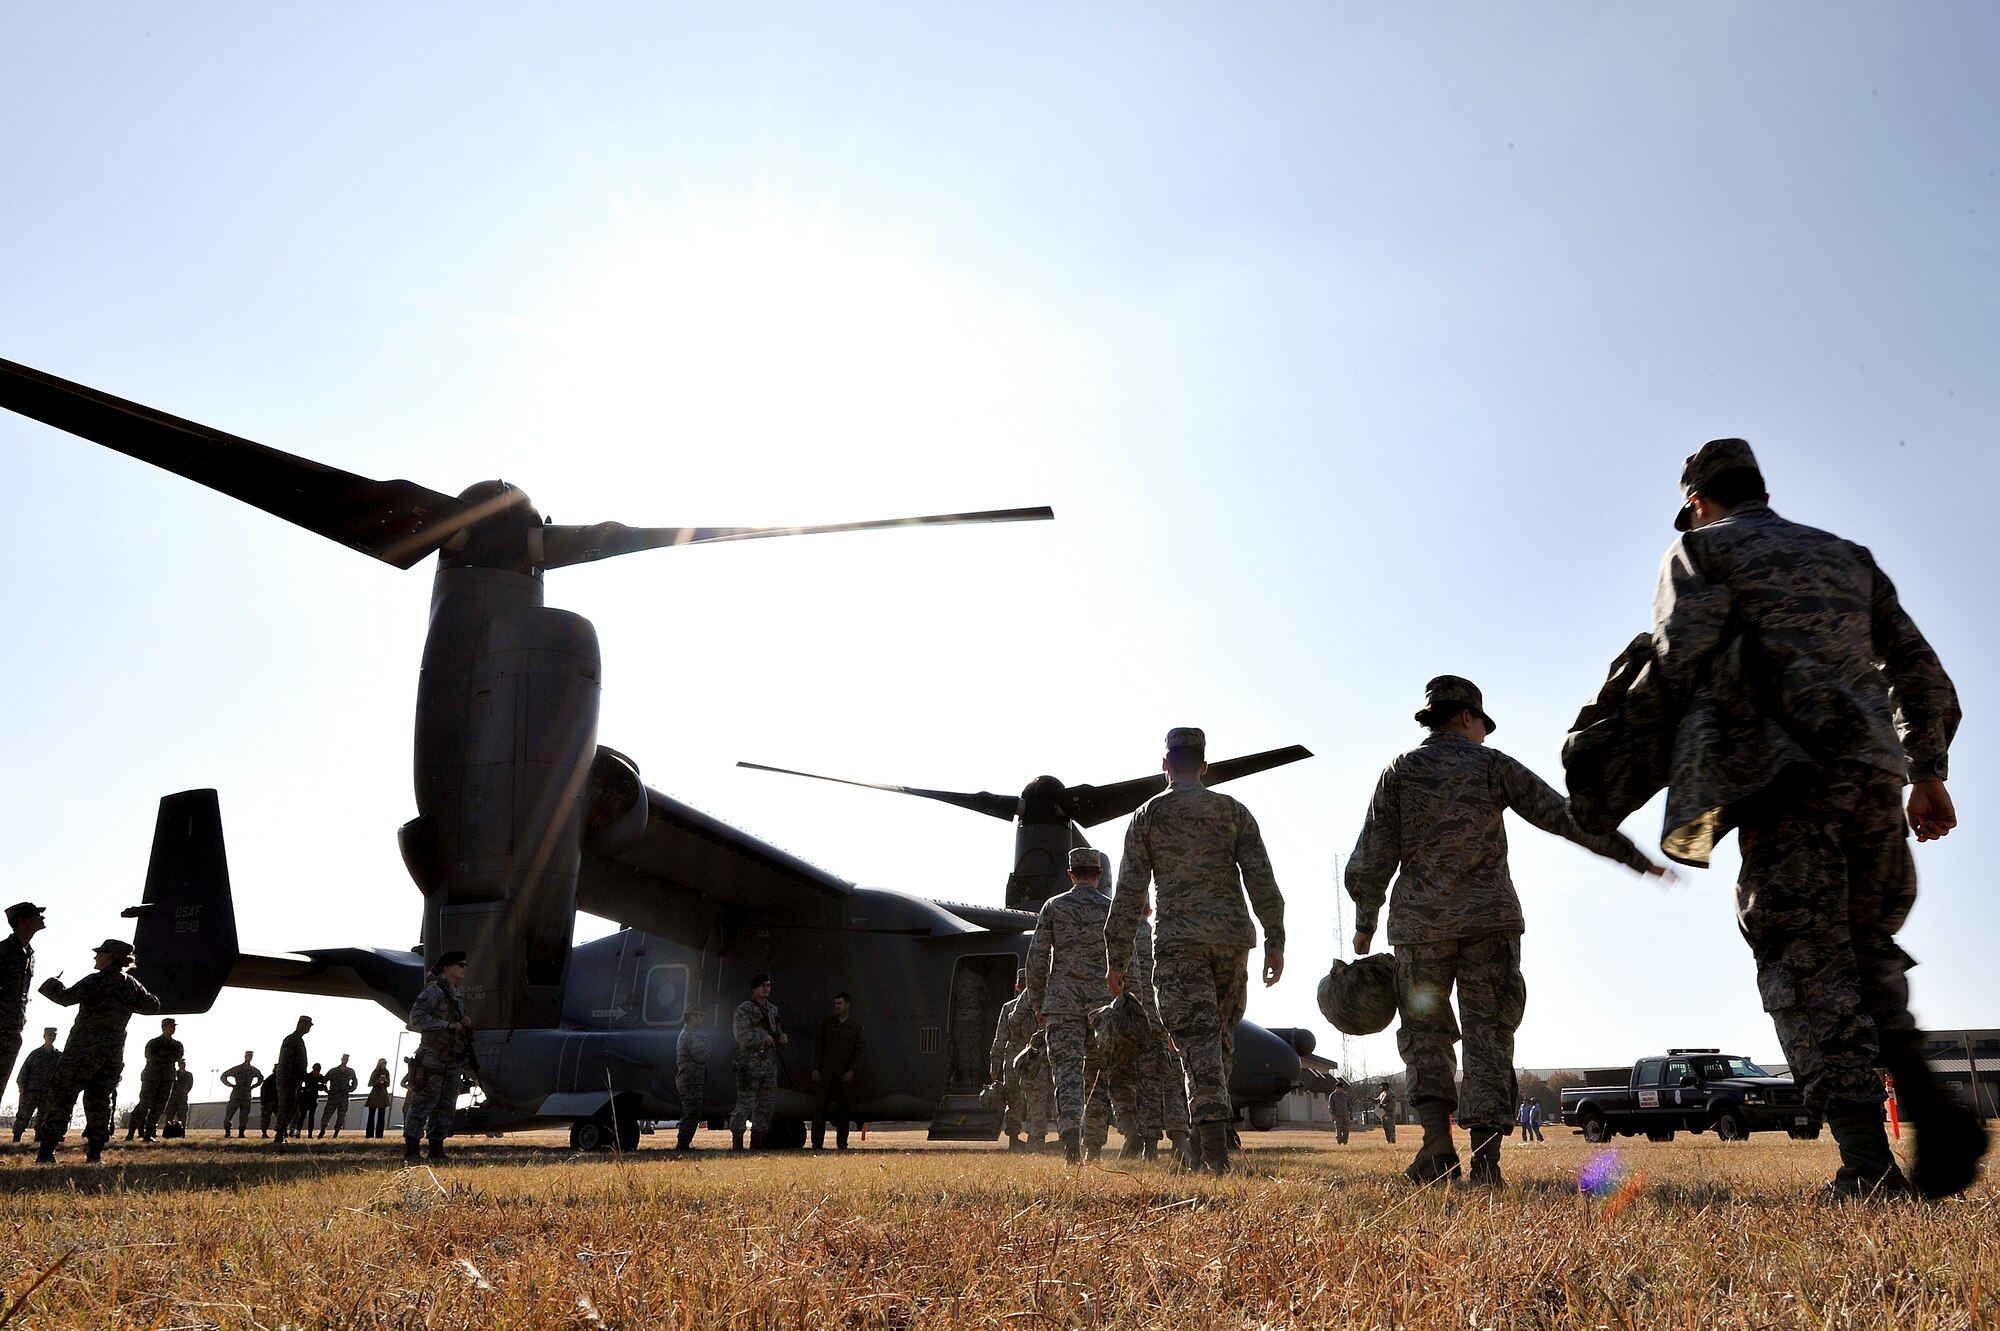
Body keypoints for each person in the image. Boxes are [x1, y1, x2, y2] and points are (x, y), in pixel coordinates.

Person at [1641, 438, 1979, 1201]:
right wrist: (1926, 771)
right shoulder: (1847, 555)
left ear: (1699, 499)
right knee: (1864, 952)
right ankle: (1925, 1093)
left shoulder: (1697, 551)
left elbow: (1679, 661)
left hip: (1782, 781)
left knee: (1803, 961)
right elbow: (1921, 673)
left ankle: (1866, 1165)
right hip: (1871, 780)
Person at [1347, 676, 1664, 1187]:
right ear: (1469, 718)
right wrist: (1629, 854)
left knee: (1425, 1034)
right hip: (1488, 926)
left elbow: (1372, 855)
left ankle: (1434, 1147)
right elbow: (1561, 816)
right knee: (1489, 1036)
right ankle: (1487, 1162)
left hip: (1421, 929)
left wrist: (1365, 924)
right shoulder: (1491, 765)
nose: (1484, 735)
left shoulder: (1399, 773)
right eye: (1482, 726)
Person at [1106, 727, 1286, 1176]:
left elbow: (1129, 892)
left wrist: (1116, 960)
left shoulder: (1148, 816)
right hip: (1231, 944)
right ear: (1204, 765)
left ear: (1165, 764)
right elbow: (1262, 881)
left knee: (1200, 1045)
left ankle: (1214, 1157)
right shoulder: (1232, 811)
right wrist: (1275, 940)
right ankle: (1210, 1142)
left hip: (1181, 943)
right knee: (1218, 1041)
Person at [34, 938, 162, 1163]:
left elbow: (65, 998)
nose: (96, 957)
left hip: (82, 1050)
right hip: (111, 1054)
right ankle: (94, 1153)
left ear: (109, 956)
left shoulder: (96, 981)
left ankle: (47, 1152)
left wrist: (52, 982)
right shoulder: (131, 985)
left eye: (100, 953)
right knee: (100, 1101)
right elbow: (152, 1005)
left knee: (63, 1096)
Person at [1028, 847, 1117, 1163]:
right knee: (1097, 1076)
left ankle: (1071, 1148)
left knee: (1067, 1075)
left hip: (1062, 1005)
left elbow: (1037, 958)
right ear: (1099, 875)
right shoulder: (1111, 910)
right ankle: (1094, 1147)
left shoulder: (1054, 907)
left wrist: (1038, 1002)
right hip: (1102, 1007)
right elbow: (1125, 959)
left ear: (1070, 874)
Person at [403, 951, 474, 1163]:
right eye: (460, 964)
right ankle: (412, 1150)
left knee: (446, 1104)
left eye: (465, 963)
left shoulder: (457, 994)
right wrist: (447, 1025)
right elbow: (416, 1018)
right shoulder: (434, 991)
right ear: (446, 967)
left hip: (451, 1058)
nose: (464, 967)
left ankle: (436, 1149)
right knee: (423, 1102)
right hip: (432, 1057)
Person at [990, 969, 1051, 1151]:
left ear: (1018, 986)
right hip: (1035, 1058)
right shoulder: (1044, 1007)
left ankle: (1014, 1140)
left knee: (1013, 1100)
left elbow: (1000, 1038)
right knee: (1037, 1098)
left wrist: (995, 1064)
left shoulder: (1009, 1008)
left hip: (1014, 1059)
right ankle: (1036, 1138)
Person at [728, 973, 786, 1151]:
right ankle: (737, 1143)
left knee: (766, 1105)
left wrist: (781, 1038)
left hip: (768, 1065)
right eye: (762, 985)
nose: (766, 988)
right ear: (754, 989)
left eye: (768, 985)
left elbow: (776, 1032)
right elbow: (741, 1035)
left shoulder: (773, 1010)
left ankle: (757, 1144)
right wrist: (762, 1039)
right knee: (745, 1103)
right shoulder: (744, 1009)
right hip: (749, 1064)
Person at [0, 902, 47, 1097]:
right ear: (23, 921)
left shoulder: (29, 955)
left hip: (13, 1030)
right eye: (37, 914)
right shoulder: (3, 951)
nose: (42, 917)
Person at [810, 992, 866, 1151]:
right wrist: (814, 1068)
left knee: (843, 1113)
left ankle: (842, 1144)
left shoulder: (855, 1027)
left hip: (844, 1076)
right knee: (819, 1111)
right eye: (835, 1004)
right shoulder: (827, 1025)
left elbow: (860, 1051)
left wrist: (852, 1070)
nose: (837, 1006)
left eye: (840, 1003)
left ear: (848, 1005)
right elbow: (818, 1047)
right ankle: (817, 1144)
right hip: (826, 1074)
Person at [129, 1017, 184, 1141]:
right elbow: (150, 1056)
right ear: (163, 1027)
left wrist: (163, 1055)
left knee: (159, 1107)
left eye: (174, 1026)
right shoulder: (153, 1043)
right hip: (151, 1078)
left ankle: (148, 1134)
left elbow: (178, 1055)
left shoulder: (177, 1044)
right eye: (171, 1026)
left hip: (167, 1079)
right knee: (144, 1104)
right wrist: (168, 1057)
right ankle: (131, 1132)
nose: (173, 1028)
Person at [12, 1027, 59, 1142]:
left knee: (43, 1117)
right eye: (49, 1035)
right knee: (23, 1115)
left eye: (53, 1035)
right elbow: (24, 1071)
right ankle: (17, 1137)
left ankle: (38, 1138)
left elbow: (61, 1074)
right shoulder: (35, 1054)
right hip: (31, 1091)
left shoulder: (58, 1055)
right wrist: (22, 1087)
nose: (51, 1037)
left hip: (48, 1092)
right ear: (44, 1036)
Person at [271, 1016, 311, 1148]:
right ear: (301, 1025)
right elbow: (286, 1061)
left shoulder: (298, 1040)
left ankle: (282, 1133)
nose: (309, 1027)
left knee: (292, 1108)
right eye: (308, 1025)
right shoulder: (291, 1040)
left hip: (294, 1081)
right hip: (288, 1080)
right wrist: (289, 1079)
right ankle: (279, 1135)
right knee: (285, 1106)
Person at [674, 1006, 710, 1151]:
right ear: (692, 1017)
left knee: (692, 1111)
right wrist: (708, 1048)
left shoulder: (691, 1034)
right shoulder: (689, 1036)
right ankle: (683, 1144)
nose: (702, 1019)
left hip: (692, 1080)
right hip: (690, 1080)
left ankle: (684, 1143)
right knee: (691, 1112)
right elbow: (703, 1055)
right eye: (700, 1015)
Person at [220, 1051, 262, 1138]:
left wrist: (253, 1086)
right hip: (236, 1095)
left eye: (251, 1056)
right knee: (229, 1114)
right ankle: (227, 1132)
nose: (249, 1057)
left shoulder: (253, 1070)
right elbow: (224, 1076)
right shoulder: (238, 1069)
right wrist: (230, 1085)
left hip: (246, 1095)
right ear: (245, 1056)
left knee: (244, 1116)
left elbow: (260, 1078)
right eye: (248, 1056)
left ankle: (241, 1133)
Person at [321, 1055, 358, 1137]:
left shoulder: (350, 1071)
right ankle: (322, 1130)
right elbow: (324, 1080)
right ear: (341, 1059)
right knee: (327, 1115)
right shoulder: (333, 1071)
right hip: (333, 1097)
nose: (345, 1061)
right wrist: (327, 1090)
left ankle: (336, 1133)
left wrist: (351, 1089)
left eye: (347, 1059)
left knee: (341, 1116)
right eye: (344, 1059)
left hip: (343, 1097)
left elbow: (355, 1081)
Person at [363, 1057, 393, 1138]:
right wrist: (378, 1080)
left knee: (381, 1116)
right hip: (375, 1095)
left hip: (383, 1095)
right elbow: (370, 1084)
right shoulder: (375, 1072)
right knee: (371, 1115)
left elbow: (388, 1084)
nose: (385, 1064)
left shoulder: (387, 1072)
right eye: (383, 1063)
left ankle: (379, 1135)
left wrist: (385, 1080)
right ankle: (369, 1134)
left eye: (386, 1063)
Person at [296, 1062, 327, 1136]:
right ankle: (298, 1132)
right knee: (302, 1116)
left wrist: (321, 1087)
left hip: (313, 1099)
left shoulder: (320, 1077)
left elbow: (323, 1085)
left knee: (311, 1117)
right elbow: (301, 1085)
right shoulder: (307, 1076)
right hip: (305, 1099)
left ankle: (310, 1134)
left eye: (318, 1070)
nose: (317, 1072)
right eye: (316, 1070)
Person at [165, 1059, 193, 1137]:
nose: (182, 1065)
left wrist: (185, 1092)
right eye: (181, 1064)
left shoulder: (188, 1075)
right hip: (173, 1098)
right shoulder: (174, 1074)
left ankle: (182, 1133)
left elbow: (190, 1085)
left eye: (183, 1064)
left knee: (182, 1116)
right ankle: (168, 1133)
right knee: (170, 1115)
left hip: (182, 1098)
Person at [258, 1061, 279, 1136]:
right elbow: (263, 1090)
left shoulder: (282, 1079)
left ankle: (280, 1132)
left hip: (278, 1102)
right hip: (268, 1102)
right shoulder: (269, 1079)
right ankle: (264, 1133)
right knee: (266, 1118)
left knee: (281, 1118)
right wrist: (263, 1102)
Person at [1329, 1080, 1351, 1146]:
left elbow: (1349, 1105)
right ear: (1337, 1088)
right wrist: (1333, 1115)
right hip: (1337, 1115)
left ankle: (1345, 1142)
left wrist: (1351, 1114)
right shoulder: (1333, 1095)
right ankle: (1339, 1142)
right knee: (1338, 1130)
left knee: (1346, 1130)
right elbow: (1330, 1106)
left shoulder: (1345, 1095)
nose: (1340, 1089)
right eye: (1339, 1088)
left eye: (1342, 1088)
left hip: (1345, 1115)